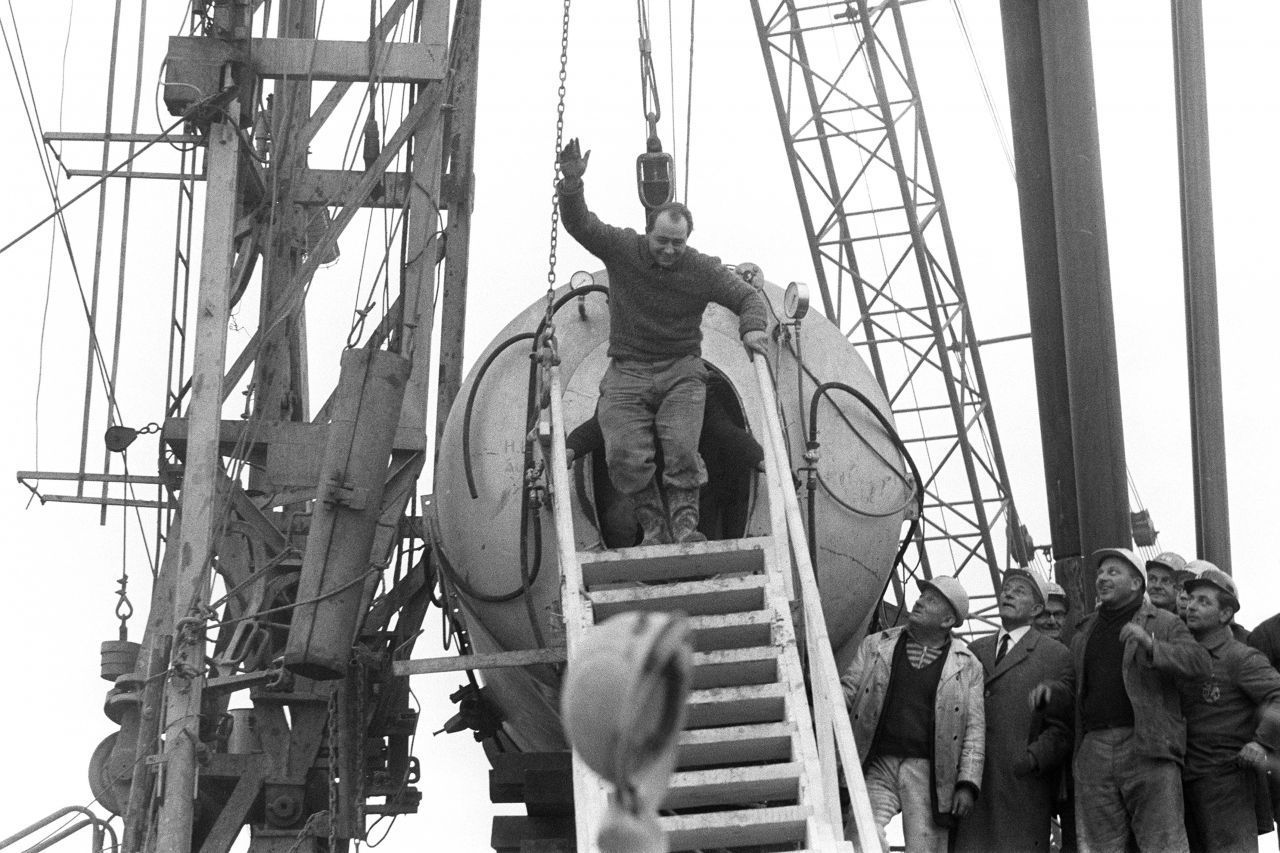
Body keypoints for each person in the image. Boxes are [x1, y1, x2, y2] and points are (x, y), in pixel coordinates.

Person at [556, 138, 769, 546]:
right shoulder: (623, 249)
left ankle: (686, 529)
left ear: (688, 239)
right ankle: (654, 528)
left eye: (678, 242)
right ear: (648, 232)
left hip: (681, 370)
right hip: (628, 370)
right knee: (623, 456)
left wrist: (752, 327)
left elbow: (746, 297)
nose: (670, 249)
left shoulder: (700, 268)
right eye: (662, 241)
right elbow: (581, 225)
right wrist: (572, 184)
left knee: (683, 452)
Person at [1032, 546, 1210, 853]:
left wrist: (1153, 647)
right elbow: (1072, 686)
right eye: (1100, 572)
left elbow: (1200, 664)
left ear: (1136, 583)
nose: (1102, 578)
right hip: (1095, 749)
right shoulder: (1084, 632)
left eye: (1113, 572)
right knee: (1099, 847)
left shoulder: (1164, 623)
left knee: (1163, 843)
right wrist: (1052, 693)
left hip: (1148, 745)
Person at [841, 576, 984, 852]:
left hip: (929, 771)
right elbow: (848, 691)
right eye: (922, 596)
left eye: (931, 600)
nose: (919, 601)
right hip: (877, 763)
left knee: (925, 848)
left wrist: (967, 784)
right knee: (860, 836)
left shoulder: (967, 665)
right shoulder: (876, 645)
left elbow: (974, 731)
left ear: (946, 621)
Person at [564, 369, 764, 545]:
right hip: (638, 472)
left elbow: (724, 430)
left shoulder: (692, 390)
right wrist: (570, 449)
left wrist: (760, 459)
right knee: (620, 518)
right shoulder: (626, 389)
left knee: (696, 522)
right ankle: (625, 566)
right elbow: (598, 425)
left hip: (680, 474)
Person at [956, 569, 1072, 853]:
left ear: (1035, 609)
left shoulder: (1055, 655)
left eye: (1019, 591)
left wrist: (1031, 759)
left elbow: (1063, 728)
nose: (1007, 593)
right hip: (972, 784)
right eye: (1006, 588)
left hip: (1021, 788)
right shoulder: (974, 649)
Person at [1179, 567, 1280, 853]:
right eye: (1191, 598)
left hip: (1227, 784)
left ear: (1225, 615)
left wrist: (1261, 742)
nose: (1192, 606)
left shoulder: (1241, 658)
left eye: (1204, 601)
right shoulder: (1182, 655)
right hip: (1184, 781)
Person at [1031, 579, 1079, 853]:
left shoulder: (1074, 656)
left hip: (1068, 772)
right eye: (1044, 614)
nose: (1051, 620)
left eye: (1058, 614)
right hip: (1031, 766)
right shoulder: (1018, 656)